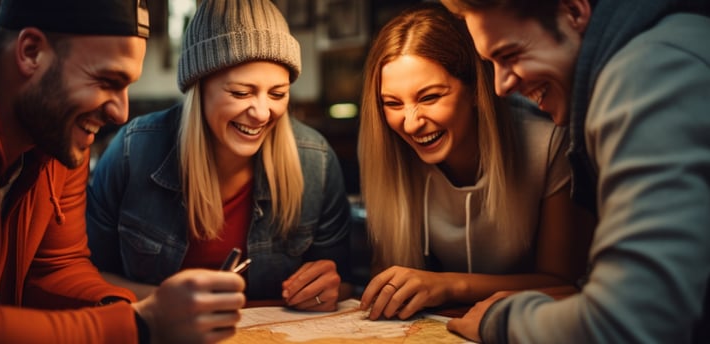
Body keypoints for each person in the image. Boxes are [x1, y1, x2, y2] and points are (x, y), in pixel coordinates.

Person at [0, 0, 246, 342]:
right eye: (107, 80)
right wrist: (143, 325)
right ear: (31, 52)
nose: (121, 113)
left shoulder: (54, 134)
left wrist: (126, 309)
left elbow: (56, 270)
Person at [440, 0, 710, 342]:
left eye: (510, 55)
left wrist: (502, 321)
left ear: (573, 11)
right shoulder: (665, 46)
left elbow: (624, 325)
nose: (500, 87)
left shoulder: (648, 74)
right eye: (491, 64)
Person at [86, 0, 353, 311]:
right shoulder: (133, 151)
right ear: (199, 88)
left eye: (278, 93)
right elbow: (87, 276)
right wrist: (170, 304)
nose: (262, 112)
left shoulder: (316, 160)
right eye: (241, 93)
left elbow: (343, 284)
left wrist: (326, 290)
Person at [356, 2, 593, 321]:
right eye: (392, 103)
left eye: (429, 97)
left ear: (475, 91)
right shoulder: (391, 157)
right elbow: (386, 280)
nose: (411, 124)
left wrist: (450, 285)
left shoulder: (549, 144)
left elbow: (564, 284)